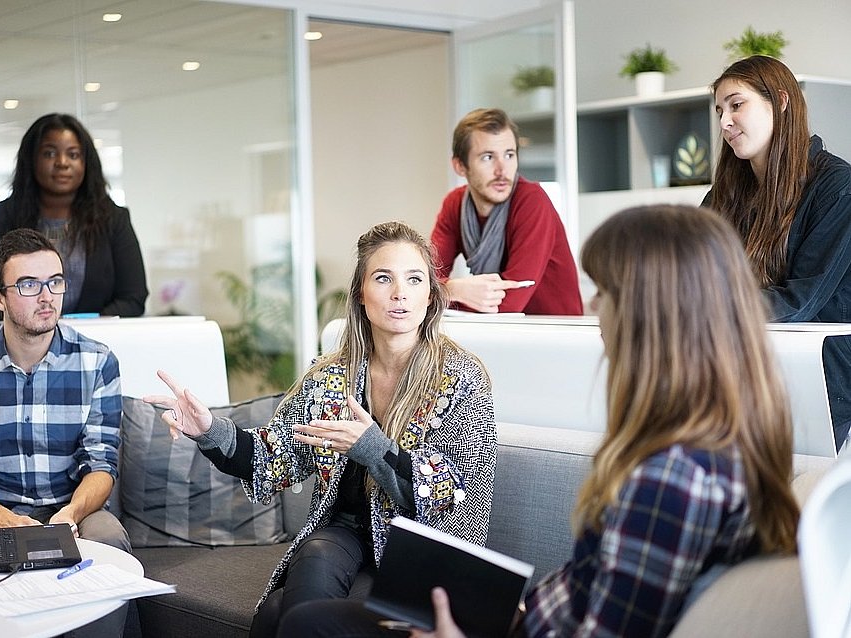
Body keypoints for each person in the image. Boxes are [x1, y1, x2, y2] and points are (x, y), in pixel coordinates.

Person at [292, 205, 800, 638]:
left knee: (307, 624)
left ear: (654, 313)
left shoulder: (672, 479)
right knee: (299, 613)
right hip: (522, 619)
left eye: (605, 292)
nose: (595, 308)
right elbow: (591, 593)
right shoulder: (713, 445)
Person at [144, 221, 497, 637]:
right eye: (383, 278)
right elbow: (273, 456)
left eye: (414, 279)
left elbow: (459, 498)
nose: (400, 292)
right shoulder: (331, 375)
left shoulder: (461, 377)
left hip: (419, 547)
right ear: (361, 295)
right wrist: (208, 429)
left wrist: (372, 447)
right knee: (312, 560)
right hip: (344, 531)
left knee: (279, 612)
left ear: (430, 296)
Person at [0, 229, 133, 636]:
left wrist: (70, 516)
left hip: (73, 508)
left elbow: (102, 464)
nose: (47, 296)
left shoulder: (97, 363)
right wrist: (1, 519)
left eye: (55, 281)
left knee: (108, 537)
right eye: (28, 284)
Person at [704, 55, 851, 450]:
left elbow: (800, 301)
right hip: (746, 359)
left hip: (823, 371)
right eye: (720, 110)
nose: (724, 122)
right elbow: (693, 275)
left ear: (781, 102)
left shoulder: (837, 187)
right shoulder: (723, 196)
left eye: (737, 104)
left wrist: (704, 309)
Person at [0, 113, 148, 321]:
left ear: (86, 163)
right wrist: (34, 326)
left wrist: (82, 328)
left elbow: (133, 298)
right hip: (22, 346)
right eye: (49, 154)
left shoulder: (114, 219)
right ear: (31, 160)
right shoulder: (3, 217)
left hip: (95, 344)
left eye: (73, 155)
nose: (62, 163)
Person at [430, 108, 582, 315]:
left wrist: (444, 293)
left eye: (509, 155)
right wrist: (453, 289)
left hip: (554, 335)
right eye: (487, 157)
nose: (502, 170)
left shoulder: (532, 201)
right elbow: (423, 281)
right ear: (460, 166)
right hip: (499, 333)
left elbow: (509, 303)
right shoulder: (454, 204)